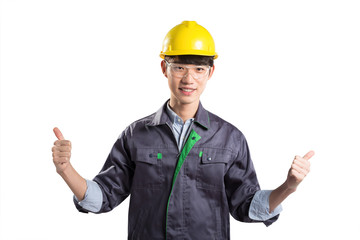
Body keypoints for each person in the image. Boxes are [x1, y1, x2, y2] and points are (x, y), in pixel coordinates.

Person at [52, 21, 314, 239]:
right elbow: (103, 197)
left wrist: (288, 187)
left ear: (210, 73)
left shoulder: (229, 139)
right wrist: (66, 170)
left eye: (199, 69)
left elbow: (246, 206)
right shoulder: (136, 135)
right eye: (179, 68)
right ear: (165, 68)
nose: (189, 79)